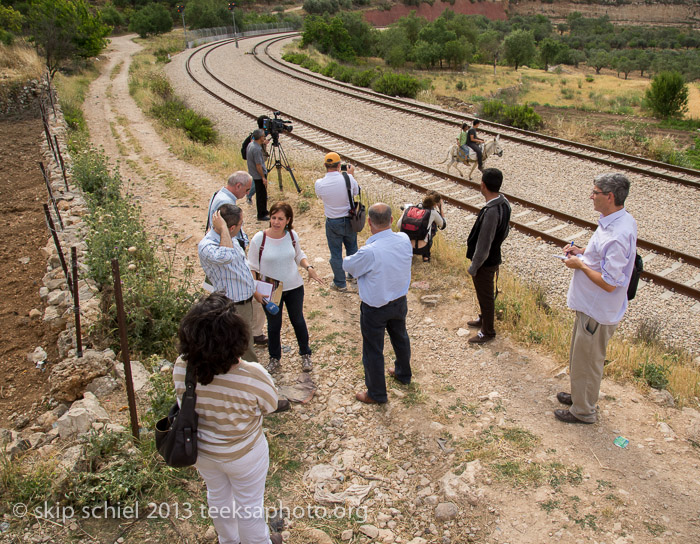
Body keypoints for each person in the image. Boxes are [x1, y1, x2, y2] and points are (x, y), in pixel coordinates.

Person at [174, 292, 283, 544]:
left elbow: (183, 402)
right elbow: (270, 405)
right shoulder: (252, 374)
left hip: (203, 452)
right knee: (250, 508)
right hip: (244, 453)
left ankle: (228, 540)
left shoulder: (183, 366)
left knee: (218, 497)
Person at [555, 173, 637, 425]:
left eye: (595, 192)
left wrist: (579, 265)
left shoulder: (618, 234)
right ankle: (581, 396)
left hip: (597, 310)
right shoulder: (616, 221)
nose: (591, 196)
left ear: (609, 197)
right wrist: (582, 251)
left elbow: (611, 283)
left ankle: (584, 411)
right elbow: (603, 259)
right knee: (580, 357)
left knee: (588, 362)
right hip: (590, 306)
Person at [342, 203, 413, 404]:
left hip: (375, 307)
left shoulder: (369, 251)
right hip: (399, 300)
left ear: (369, 223)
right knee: (400, 337)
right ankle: (403, 373)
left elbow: (348, 265)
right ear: (391, 220)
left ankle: (377, 394)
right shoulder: (404, 239)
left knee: (373, 349)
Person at [248, 202, 323, 374]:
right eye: (273, 217)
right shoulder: (259, 239)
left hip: (294, 286)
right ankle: (275, 358)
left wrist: (309, 268)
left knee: (298, 321)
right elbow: (252, 267)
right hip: (271, 289)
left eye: (280, 218)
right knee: (274, 325)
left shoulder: (291, 235)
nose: (276, 222)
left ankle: (305, 354)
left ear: (288, 220)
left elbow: (298, 255)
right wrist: (256, 291)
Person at [206, 172, 267, 346]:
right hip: (231, 254)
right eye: (247, 190)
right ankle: (251, 333)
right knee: (249, 287)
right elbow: (221, 231)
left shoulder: (221, 195)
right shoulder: (225, 202)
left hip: (231, 251)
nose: (247, 194)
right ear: (238, 186)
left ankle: (251, 331)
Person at [198, 204, 263, 363]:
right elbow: (225, 257)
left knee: (246, 341)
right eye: (241, 223)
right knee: (240, 344)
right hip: (232, 305)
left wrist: (255, 290)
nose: (242, 227)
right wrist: (224, 231)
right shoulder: (208, 245)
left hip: (245, 302)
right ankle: (251, 378)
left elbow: (242, 266)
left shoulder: (230, 239)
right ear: (232, 227)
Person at [465, 168, 511, 345]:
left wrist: (474, 266)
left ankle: (488, 331)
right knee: (485, 294)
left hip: (485, 262)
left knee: (486, 295)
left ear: (483, 185)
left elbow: (484, 245)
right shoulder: (504, 203)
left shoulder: (491, 211)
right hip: (492, 257)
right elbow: (505, 230)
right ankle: (484, 319)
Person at [315, 152, 359, 292]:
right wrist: (351, 175)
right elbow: (356, 192)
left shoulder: (320, 183)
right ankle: (352, 275)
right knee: (352, 249)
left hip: (333, 222)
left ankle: (340, 283)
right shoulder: (348, 179)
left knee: (335, 253)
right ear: (340, 165)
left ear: (325, 166)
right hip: (349, 220)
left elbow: (320, 197)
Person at [396, 190, 446, 263]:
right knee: (432, 226)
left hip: (407, 246)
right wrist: (441, 208)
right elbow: (443, 225)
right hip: (422, 248)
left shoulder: (410, 208)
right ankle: (426, 256)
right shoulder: (432, 212)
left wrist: (404, 213)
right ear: (435, 203)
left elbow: (398, 225)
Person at [246, 116, 271, 205]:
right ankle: (249, 195)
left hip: (257, 158)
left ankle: (261, 195)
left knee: (258, 179)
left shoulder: (258, 133)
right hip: (256, 159)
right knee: (258, 180)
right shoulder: (257, 135)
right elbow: (258, 165)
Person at [246, 129, 269, 221]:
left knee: (262, 194)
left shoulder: (251, 145)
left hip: (253, 174)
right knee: (261, 195)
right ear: (260, 138)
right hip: (258, 175)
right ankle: (261, 214)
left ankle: (264, 210)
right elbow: (258, 165)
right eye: (263, 136)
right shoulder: (257, 149)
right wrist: (263, 177)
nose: (264, 138)